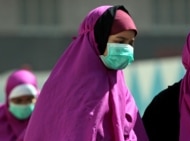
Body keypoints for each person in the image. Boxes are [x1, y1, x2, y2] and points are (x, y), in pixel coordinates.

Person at [24, 5, 149, 141]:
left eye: (131, 43)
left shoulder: (122, 91)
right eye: (120, 41)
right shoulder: (66, 89)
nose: (127, 48)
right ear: (98, 39)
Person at [0, 69, 39, 141]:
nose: (24, 105)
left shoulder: (44, 120)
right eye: (18, 100)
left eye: (29, 99)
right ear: (8, 101)